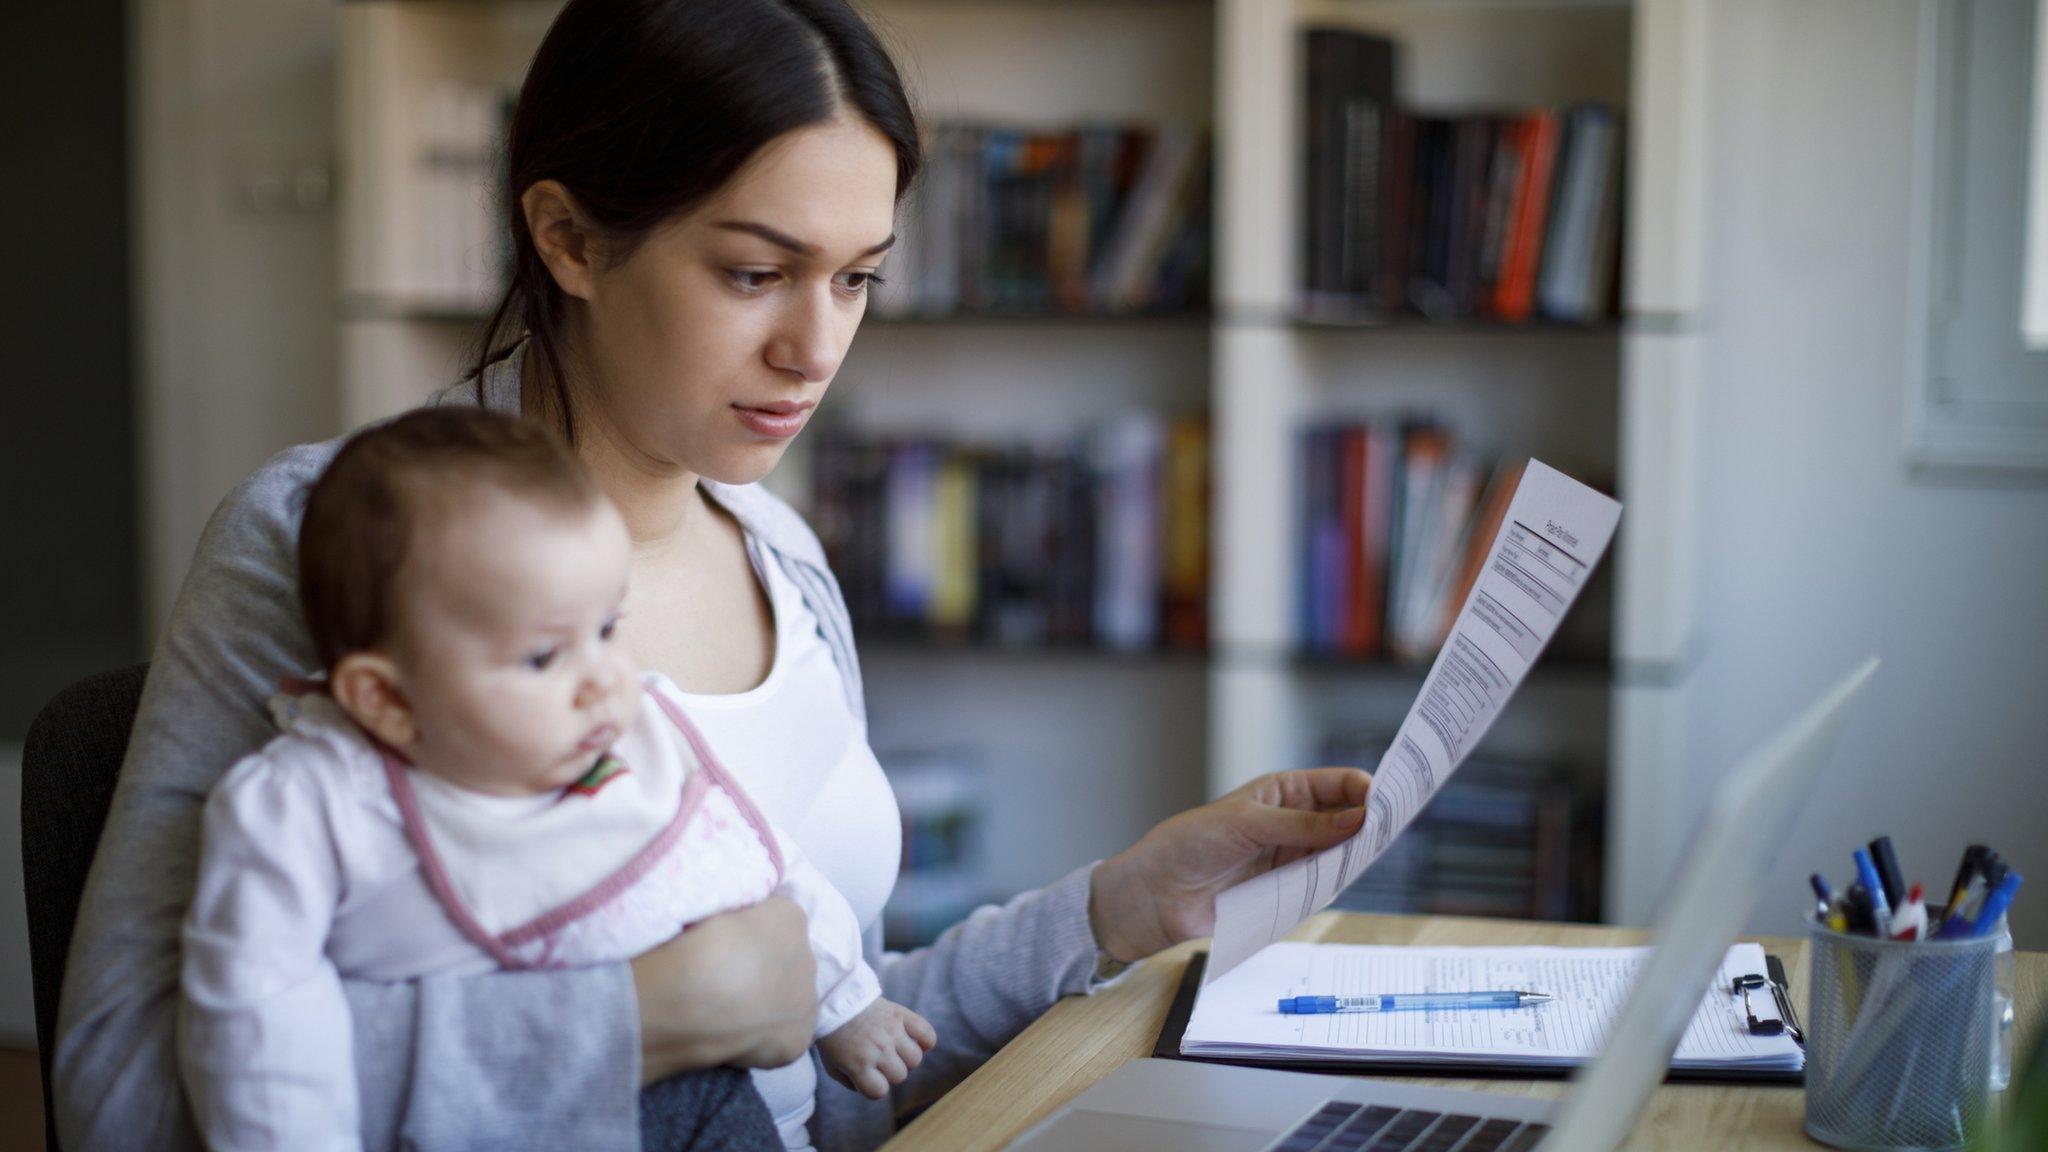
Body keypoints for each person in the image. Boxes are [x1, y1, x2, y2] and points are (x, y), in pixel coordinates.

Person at [54, 1, 1373, 1149]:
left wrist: (1116, 907)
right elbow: (126, 1094)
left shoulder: (782, 550)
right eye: (756, 272)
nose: (817, 346)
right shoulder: (331, 537)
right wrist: (643, 1020)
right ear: (568, 238)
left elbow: (827, 1047)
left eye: (856, 279)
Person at [178, 408, 932, 1152]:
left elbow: (757, 862)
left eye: (608, 629)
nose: (605, 679)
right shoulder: (306, 807)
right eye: (543, 657)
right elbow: (256, 1025)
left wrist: (846, 1001)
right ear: (388, 700)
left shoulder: (633, 735)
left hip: (704, 1111)